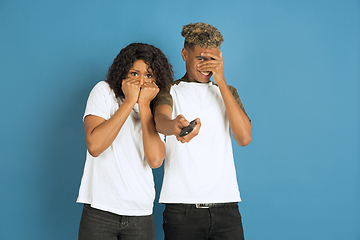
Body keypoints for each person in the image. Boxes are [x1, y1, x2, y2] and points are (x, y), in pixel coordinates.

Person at [152, 22, 252, 240]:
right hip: (182, 210)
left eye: (213, 59)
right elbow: (160, 120)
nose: (207, 66)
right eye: (200, 58)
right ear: (184, 54)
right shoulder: (169, 89)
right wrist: (175, 127)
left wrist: (222, 82)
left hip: (227, 208)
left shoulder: (227, 92)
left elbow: (244, 137)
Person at [76, 42, 174, 240]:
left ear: (157, 79)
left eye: (148, 75)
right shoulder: (104, 92)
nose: (140, 81)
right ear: (123, 73)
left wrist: (144, 105)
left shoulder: (157, 108)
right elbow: (95, 146)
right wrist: (129, 102)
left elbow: (155, 161)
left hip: (140, 214)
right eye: (134, 73)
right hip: (100, 211)